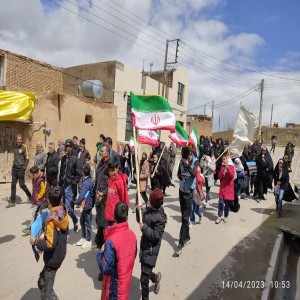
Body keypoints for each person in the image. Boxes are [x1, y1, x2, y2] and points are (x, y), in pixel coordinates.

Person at [29, 186, 69, 300]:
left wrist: (35, 241)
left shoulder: (51, 220)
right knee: (42, 281)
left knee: (46, 295)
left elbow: (50, 245)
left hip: (53, 260)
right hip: (60, 254)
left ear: (49, 201)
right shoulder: (62, 209)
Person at [97, 202, 137, 300]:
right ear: (127, 217)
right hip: (125, 280)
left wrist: (101, 253)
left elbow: (106, 268)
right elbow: (133, 255)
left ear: (114, 217)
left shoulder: (111, 240)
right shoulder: (133, 235)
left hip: (114, 285)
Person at [138, 189, 166, 299]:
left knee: (144, 280)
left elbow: (156, 236)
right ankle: (155, 278)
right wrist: (138, 210)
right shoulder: (150, 210)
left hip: (151, 251)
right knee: (145, 271)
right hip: (144, 247)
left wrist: (144, 228)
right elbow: (140, 220)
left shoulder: (160, 218)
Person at [176, 146, 198, 255]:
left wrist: (187, 165)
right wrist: (181, 177)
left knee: (184, 218)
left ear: (190, 154)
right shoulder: (181, 160)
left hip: (189, 192)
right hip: (181, 190)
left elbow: (194, 175)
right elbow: (178, 174)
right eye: (184, 158)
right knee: (184, 217)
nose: (185, 158)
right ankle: (188, 236)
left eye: (187, 157)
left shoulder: (195, 161)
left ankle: (180, 243)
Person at [59, 139, 82, 231]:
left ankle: (75, 219)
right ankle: (66, 226)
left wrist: (73, 182)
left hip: (69, 186)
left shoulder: (75, 159)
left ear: (71, 148)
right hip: (63, 184)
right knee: (62, 207)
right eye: (65, 146)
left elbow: (79, 173)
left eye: (68, 146)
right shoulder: (64, 158)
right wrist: (60, 181)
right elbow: (61, 171)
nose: (66, 148)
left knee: (68, 207)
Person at [22, 166, 47, 235]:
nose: (33, 176)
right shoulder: (35, 178)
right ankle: (43, 225)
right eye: (32, 175)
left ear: (37, 173)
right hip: (36, 198)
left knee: (35, 212)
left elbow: (43, 190)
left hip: (40, 199)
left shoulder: (41, 179)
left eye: (34, 175)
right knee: (41, 212)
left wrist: (38, 197)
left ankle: (31, 227)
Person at [8, 134, 32, 207]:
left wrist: (24, 167)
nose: (19, 141)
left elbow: (27, 158)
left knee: (21, 185)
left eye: (20, 139)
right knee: (13, 184)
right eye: (18, 140)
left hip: (21, 169)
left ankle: (30, 196)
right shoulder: (15, 147)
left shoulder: (24, 147)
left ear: (22, 140)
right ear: (16, 140)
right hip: (14, 169)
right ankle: (12, 201)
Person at [104, 159, 129, 225]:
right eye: (109, 171)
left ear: (117, 168)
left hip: (116, 219)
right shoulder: (111, 180)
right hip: (109, 216)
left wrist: (124, 216)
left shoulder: (121, 182)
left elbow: (125, 201)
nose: (111, 173)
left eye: (113, 170)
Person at [75, 164, 94, 249]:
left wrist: (77, 202)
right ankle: (83, 237)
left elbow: (82, 194)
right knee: (82, 221)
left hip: (87, 205)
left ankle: (89, 240)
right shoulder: (88, 180)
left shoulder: (86, 182)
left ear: (83, 172)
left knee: (88, 223)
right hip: (85, 205)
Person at [215, 154, 235, 224]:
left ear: (227, 159)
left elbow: (232, 175)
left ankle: (226, 216)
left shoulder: (231, 166)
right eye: (223, 159)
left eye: (224, 159)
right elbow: (219, 177)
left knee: (227, 204)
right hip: (222, 188)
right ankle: (219, 216)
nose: (223, 160)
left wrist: (228, 168)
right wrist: (223, 174)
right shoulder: (222, 167)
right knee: (220, 203)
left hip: (228, 188)